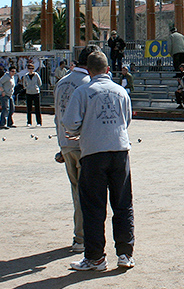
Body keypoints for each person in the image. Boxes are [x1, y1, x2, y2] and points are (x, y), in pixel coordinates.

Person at [63, 51, 134, 271]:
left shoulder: (83, 91)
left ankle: (96, 257)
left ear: (89, 71)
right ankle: (125, 254)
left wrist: (78, 132)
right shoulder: (121, 91)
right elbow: (127, 119)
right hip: (120, 149)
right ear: (107, 69)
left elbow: (70, 122)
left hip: (94, 152)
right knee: (123, 203)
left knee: (93, 206)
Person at [53, 45, 99, 254]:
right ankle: (82, 237)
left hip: (66, 144)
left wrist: (61, 146)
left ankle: (79, 234)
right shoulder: (89, 83)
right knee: (89, 193)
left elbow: (57, 117)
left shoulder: (61, 83)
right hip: (84, 145)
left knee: (76, 191)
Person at [22, 62, 43, 127]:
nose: (30, 70)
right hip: (28, 93)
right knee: (29, 108)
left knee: (37, 108)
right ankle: (29, 122)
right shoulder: (26, 76)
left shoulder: (36, 75)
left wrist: (36, 87)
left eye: (32, 68)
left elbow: (40, 83)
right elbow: (24, 84)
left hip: (36, 92)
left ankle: (39, 122)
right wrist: (27, 88)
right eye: (29, 68)